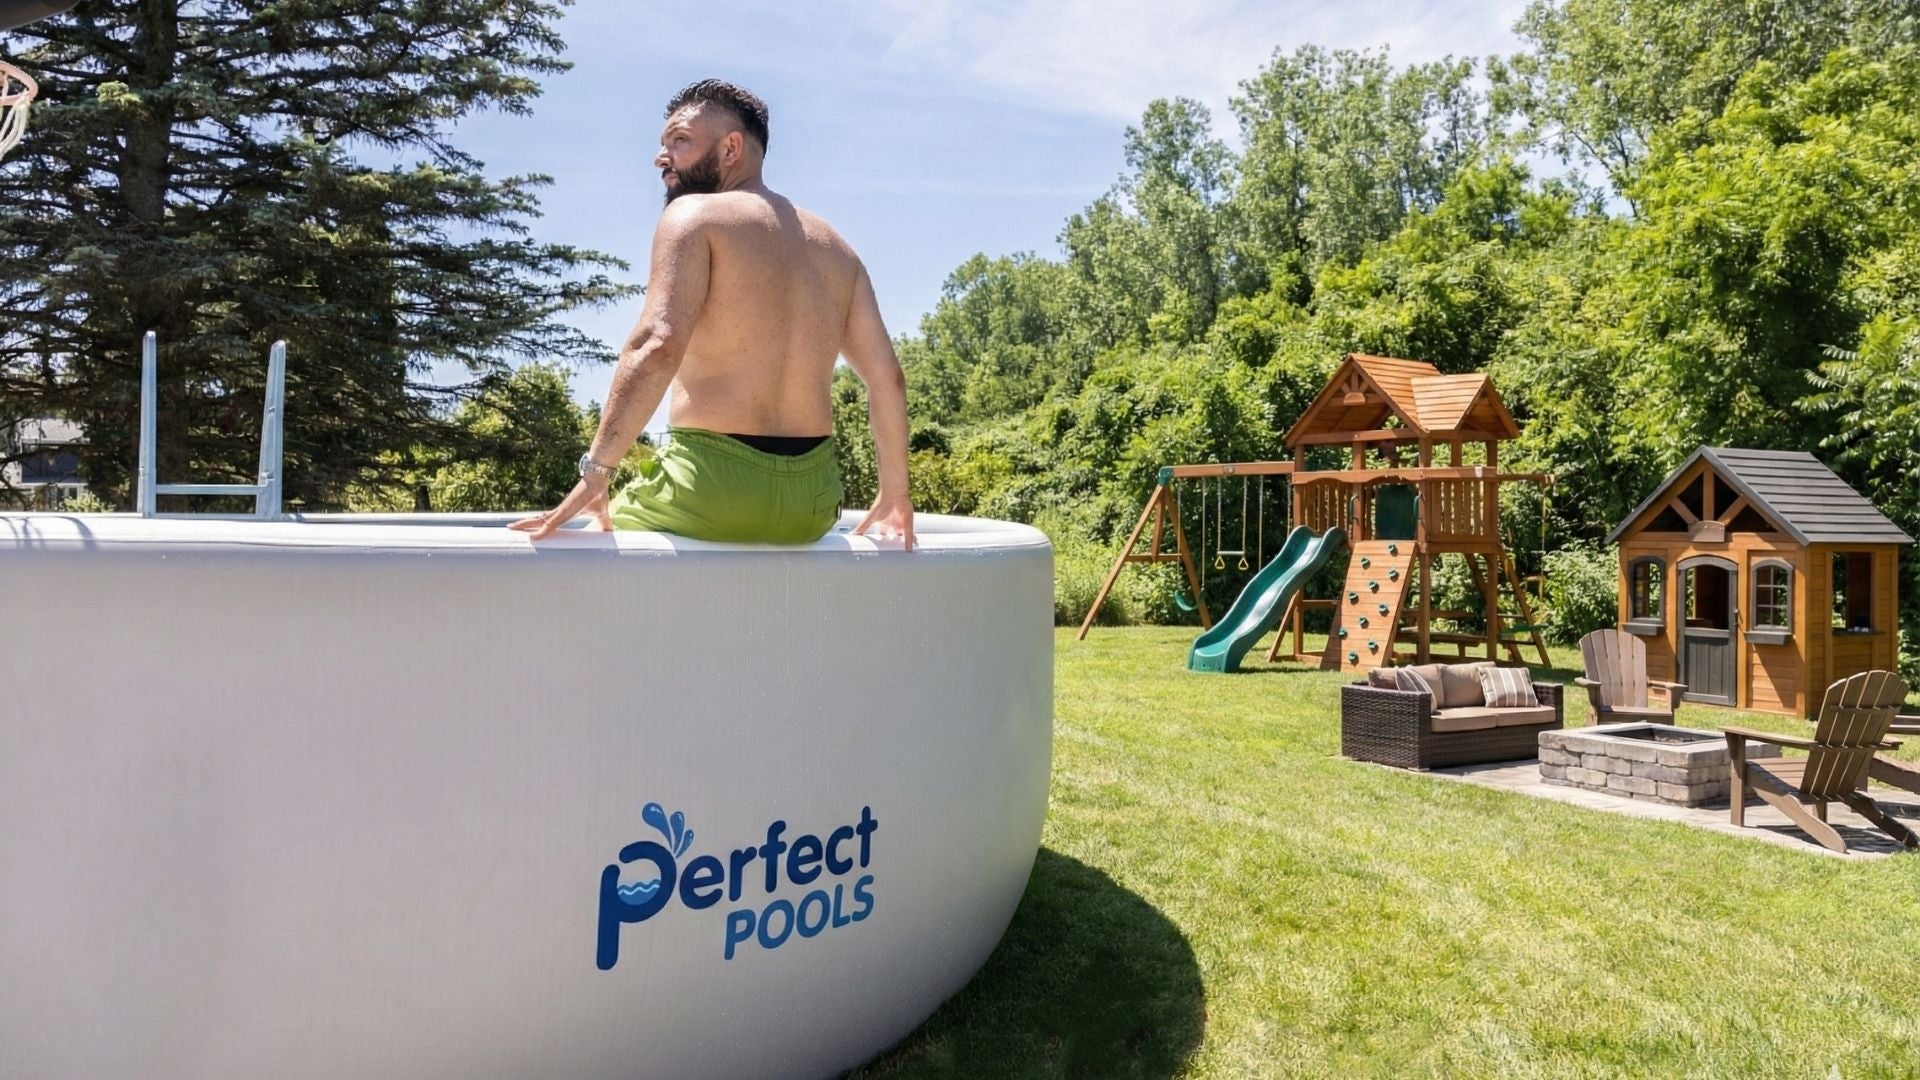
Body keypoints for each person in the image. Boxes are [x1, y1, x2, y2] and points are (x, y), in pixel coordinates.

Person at [510, 79, 914, 549]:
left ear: (731, 148)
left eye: (679, 141)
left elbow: (657, 343)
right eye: (663, 144)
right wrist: (894, 494)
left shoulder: (694, 216)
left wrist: (596, 474)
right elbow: (888, 378)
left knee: (580, 545)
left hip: (708, 488)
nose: (662, 157)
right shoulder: (838, 250)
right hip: (814, 501)